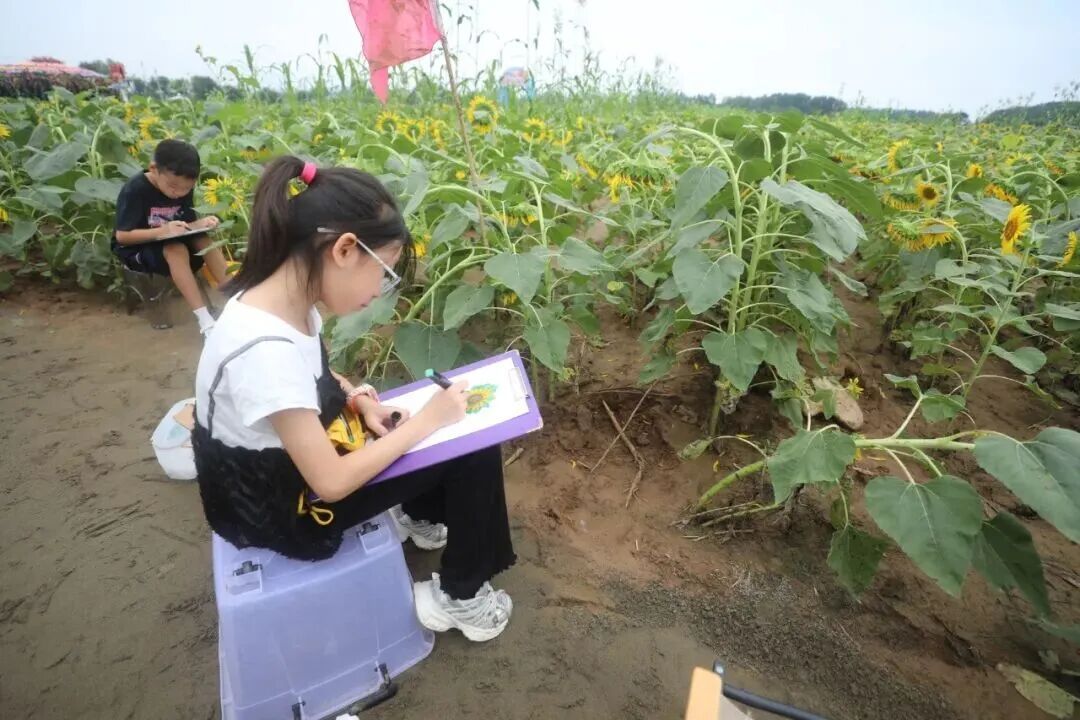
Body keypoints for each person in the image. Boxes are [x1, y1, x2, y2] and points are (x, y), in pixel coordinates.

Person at [191, 156, 516, 642]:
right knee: (471, 445)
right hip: (286, 514)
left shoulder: (277, 302)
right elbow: (332, 482)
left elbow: (314, 375)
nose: (380, 291)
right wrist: (427, 422)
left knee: (418, 425)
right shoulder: (264, 351)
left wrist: (360, 402)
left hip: (281, 480)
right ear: (344, 249)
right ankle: (461, 597)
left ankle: (420, 517)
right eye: (383, 271)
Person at [113, 139, 229, 335]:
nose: (179, 193)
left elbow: (184, 224)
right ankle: (205, 320)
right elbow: (122, 236)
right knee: (176, 249)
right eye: (173, 186)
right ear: (154, 169)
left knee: (203, 240)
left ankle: (236, 299)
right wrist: (163, 231)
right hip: (137, 249)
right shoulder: (135, 189)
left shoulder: (181, 185)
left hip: (170, 241)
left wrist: (198, 224)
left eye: (186, 188)